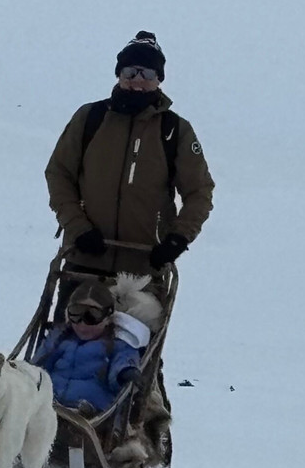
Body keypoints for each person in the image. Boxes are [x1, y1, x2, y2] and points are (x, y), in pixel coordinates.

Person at [45, 31, 215, 281]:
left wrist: (177, 239)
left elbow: (199, 191)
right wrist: (78, 227)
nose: (138, 80)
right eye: (130, 72)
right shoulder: (90, 118)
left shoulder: (175, 130)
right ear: (119, 75)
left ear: (159, 79)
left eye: (147, 74)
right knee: (76, 320)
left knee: (135, 323)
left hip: (145, 268)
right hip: (83, 258)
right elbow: (59, 174)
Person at [34, 281, 141, 415]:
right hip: (48, 405)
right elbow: (38, 366)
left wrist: (125, 372)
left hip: (95, 412)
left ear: (108, 317)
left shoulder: (118, 344)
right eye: (75, 314)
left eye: (92, 316)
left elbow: (123, 360)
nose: (83, 324)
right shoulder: (59, 338)